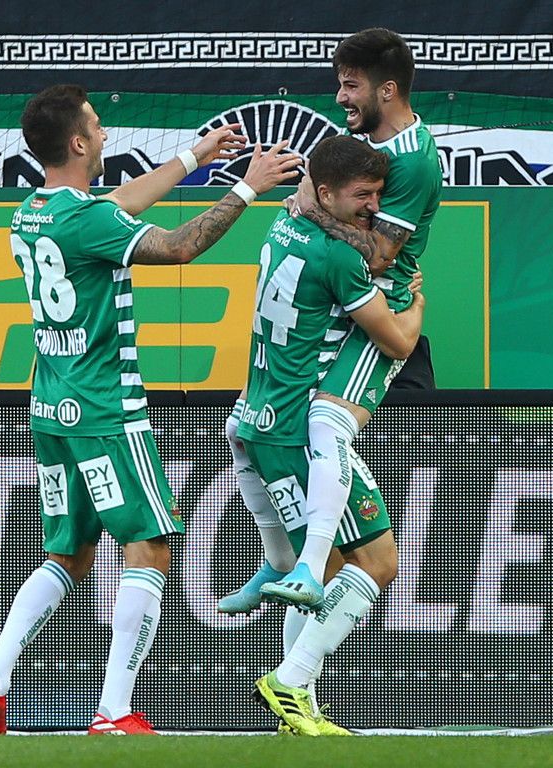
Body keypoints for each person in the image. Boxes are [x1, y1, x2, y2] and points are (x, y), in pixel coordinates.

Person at [0, 83, 300, 736]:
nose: (106, 133)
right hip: (107, 411)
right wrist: (248, 187)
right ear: (78, 141)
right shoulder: (87, 221)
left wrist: (194, 157)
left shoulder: (33, 212)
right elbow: (177, 247)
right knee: (148, 548)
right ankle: (114, 711)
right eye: (97, 124)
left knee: (69, 555)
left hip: (52, 407)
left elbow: (116, 207)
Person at [220, 27, 442, 615]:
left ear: (387, 89)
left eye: (350, 85)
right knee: (241, 424)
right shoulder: (358, 145)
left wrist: (313, 210)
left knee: (326, 424)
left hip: (377, 304)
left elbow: (380, 255)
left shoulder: (414, 161)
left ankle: (312, 566)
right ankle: (280, 559)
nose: (340, 97)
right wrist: (310, 204)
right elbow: (317, 205)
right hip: (336, 300)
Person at [235, 135, 425, 736]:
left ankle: (299, 710)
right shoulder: (341, 258)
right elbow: (398, 342)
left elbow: (311, 199)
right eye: (363, 195)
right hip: (301, 428)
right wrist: (418, 304)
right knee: (378, 563)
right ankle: (291, 681)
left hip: (262, 419)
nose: (374, 207)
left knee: (324, 567)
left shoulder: (284, 225)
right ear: (325, 192)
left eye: (378, 194)